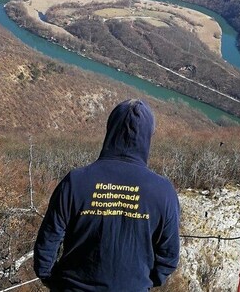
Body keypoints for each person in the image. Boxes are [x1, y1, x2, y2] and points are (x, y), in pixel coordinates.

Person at [34, 99, 180, 291]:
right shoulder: (164, 192)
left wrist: (53, 280)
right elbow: (168, 258)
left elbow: (48, 241)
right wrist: (140, 283)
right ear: (147, 137)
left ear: (110, 129)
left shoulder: (76, 181)